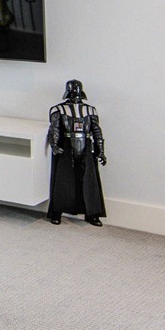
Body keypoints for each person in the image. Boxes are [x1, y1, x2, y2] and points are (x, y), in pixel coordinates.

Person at [45, 80, 107, 225]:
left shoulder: (90, 110)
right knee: (62, 180)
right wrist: (54, 145)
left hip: (86, 145)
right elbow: (54, 129)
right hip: (66, 145)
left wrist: (101, 150)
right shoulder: (58, 110)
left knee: (89, 180)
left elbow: (96, 130)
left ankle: (92, 213)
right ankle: (57, 211)